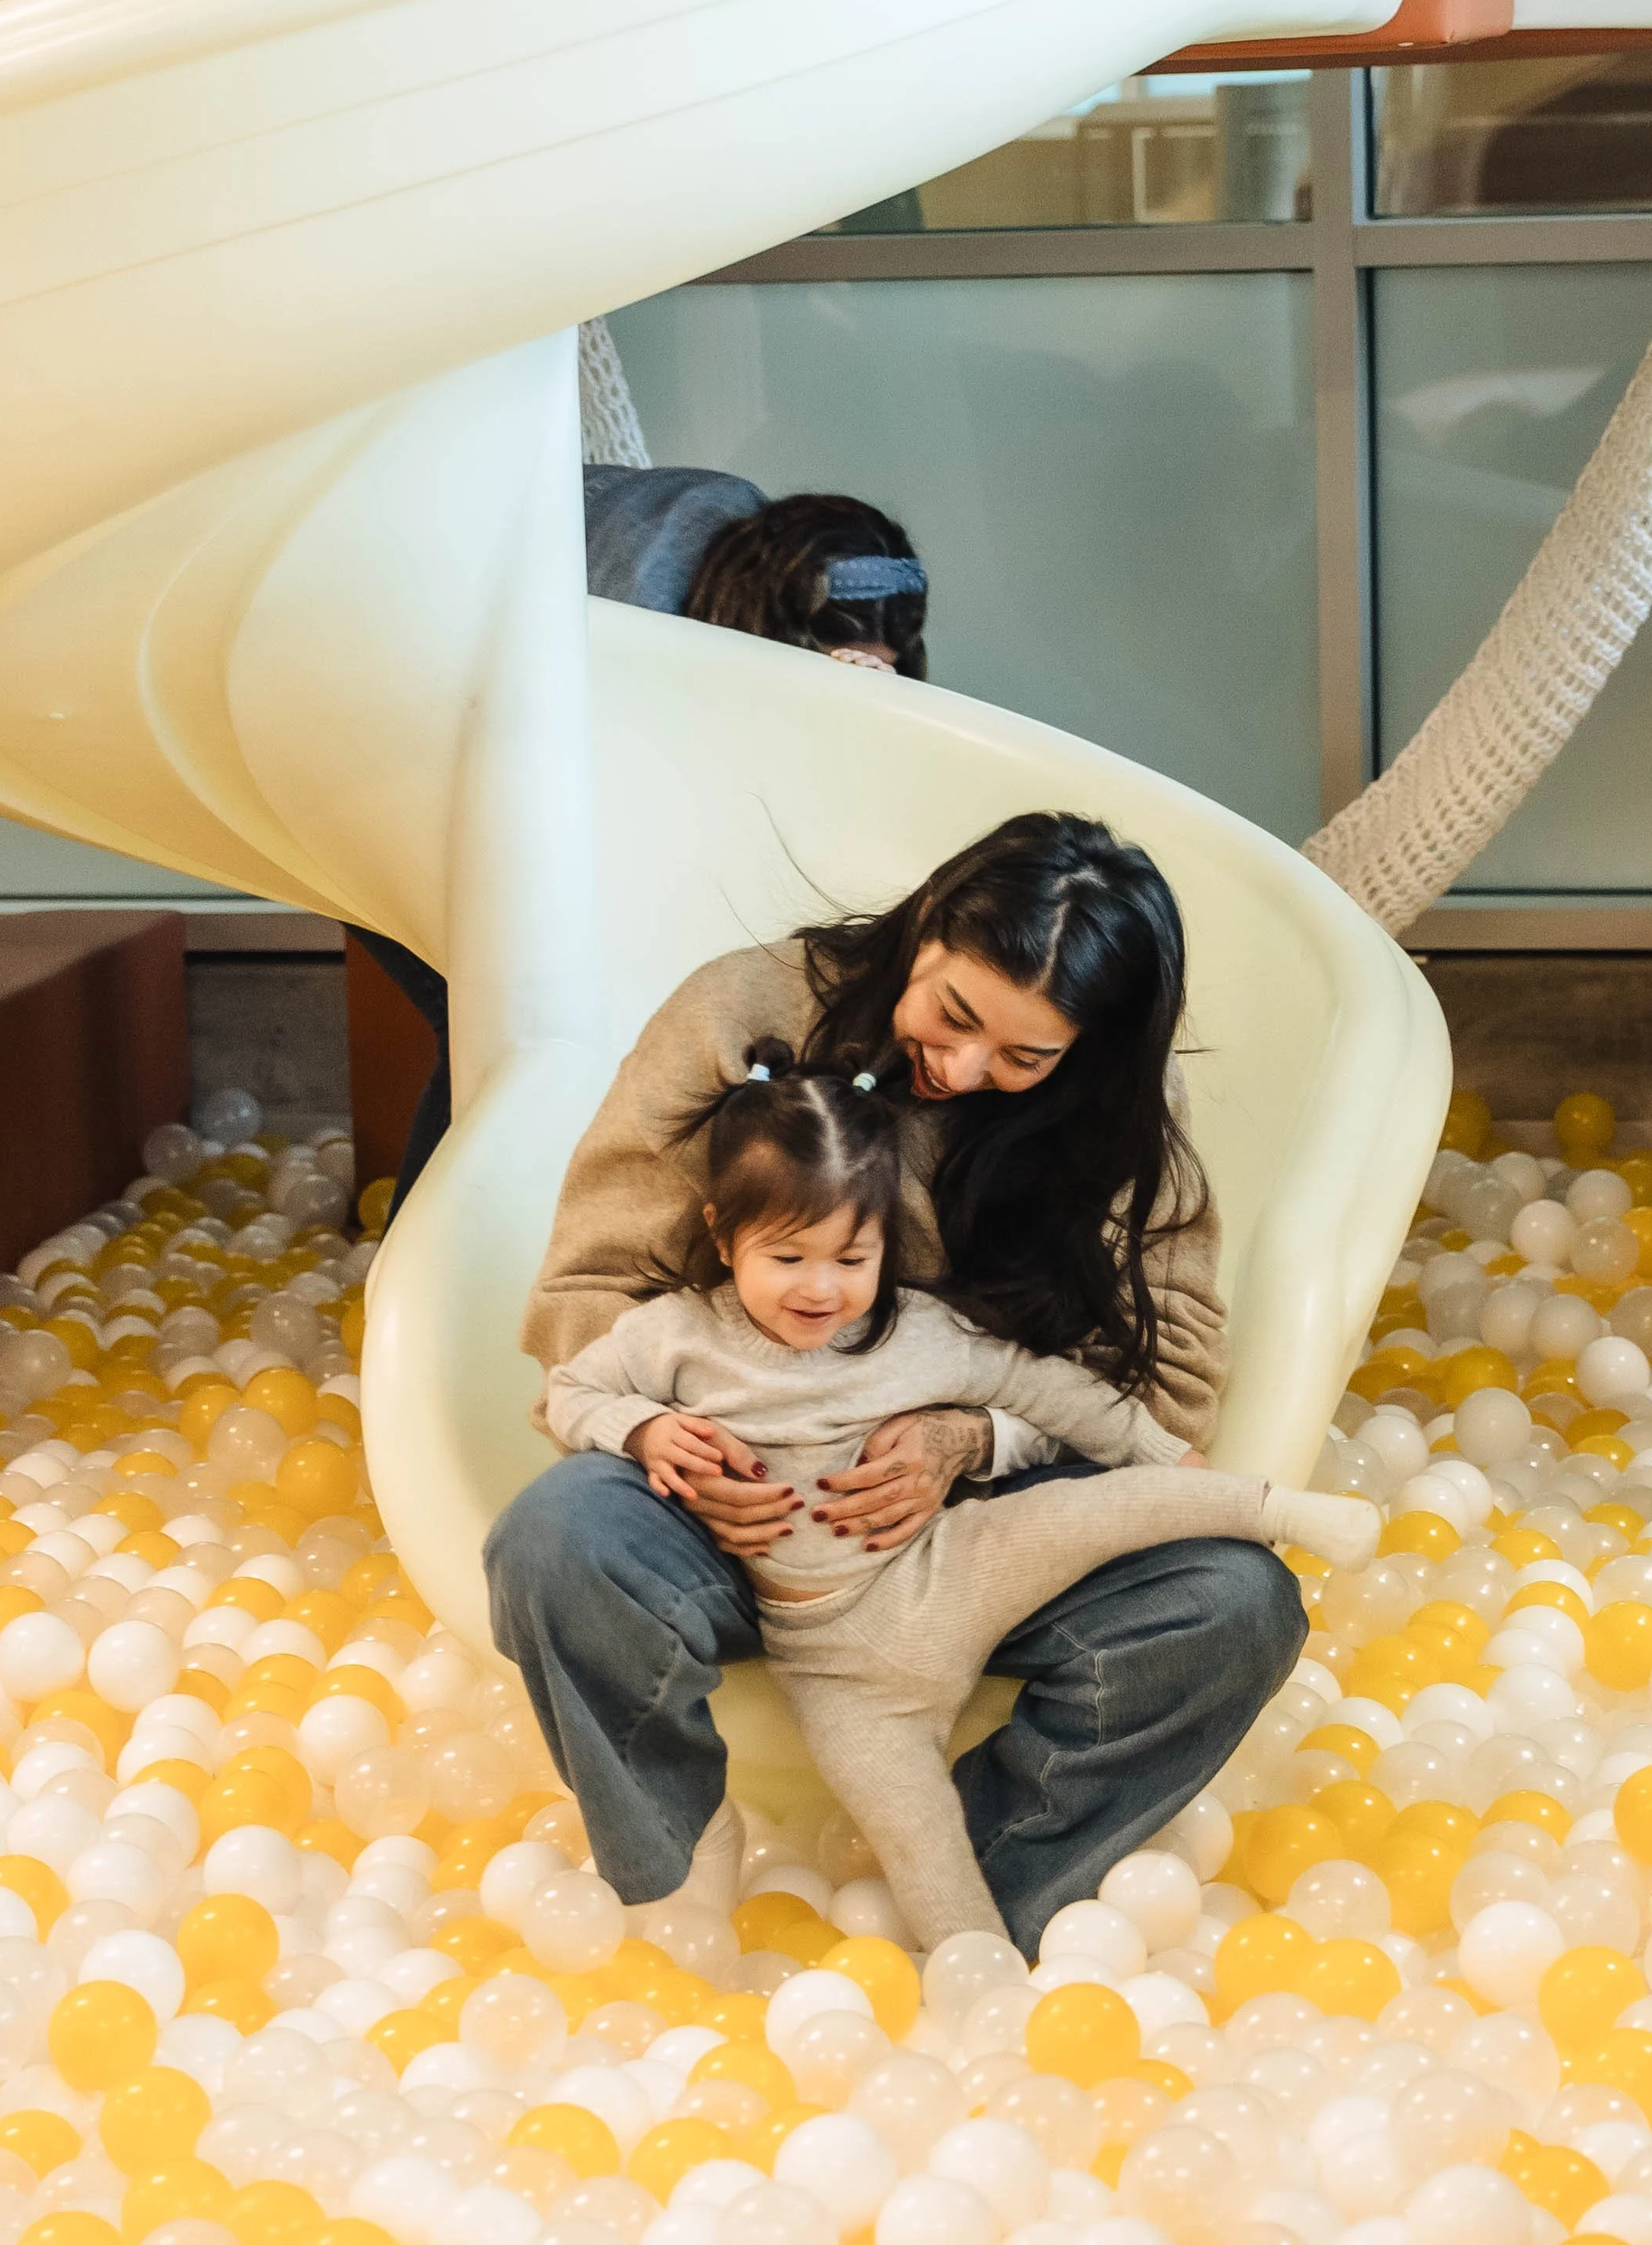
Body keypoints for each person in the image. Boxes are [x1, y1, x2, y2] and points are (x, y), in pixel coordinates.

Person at [485, 811, 1311, 1959]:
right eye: (954, 1015)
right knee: (554, 1537)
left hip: (976, 1550)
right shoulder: (740, 1016)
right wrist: (671, 1434)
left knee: (1234, 1606)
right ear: (924, 925)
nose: (965, 1070)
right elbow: (589, 1286)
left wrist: (968, 1437)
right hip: (738, 1514)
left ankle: (968, 1892)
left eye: (1025, 1058)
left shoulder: (1114, 1126)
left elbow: (1162, 1403)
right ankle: (670, 1852)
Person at [541, 1039, 1374, 1947]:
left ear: (885, 1244)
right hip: (822, 1649)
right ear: (720, 1234)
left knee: (1080, 1513)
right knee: (915, 1833)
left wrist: (1156, 1450)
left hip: (940, 1570)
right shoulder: (675, 1336)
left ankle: (1277, 1509)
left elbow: (1051, 1393)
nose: (821, 1288)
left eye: (850, 1258)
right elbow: (570, 1392)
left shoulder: (921, 1334)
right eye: (786, 1257)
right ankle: (973, 1968)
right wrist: (644, 1430)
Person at [355, 473, 929, 1212]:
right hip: (403, 763)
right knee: (490, 1025)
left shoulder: (750, 559)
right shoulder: (635, 622)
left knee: (510, 1029)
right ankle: (441, 1286)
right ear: (777, 640)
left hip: (458, 740)